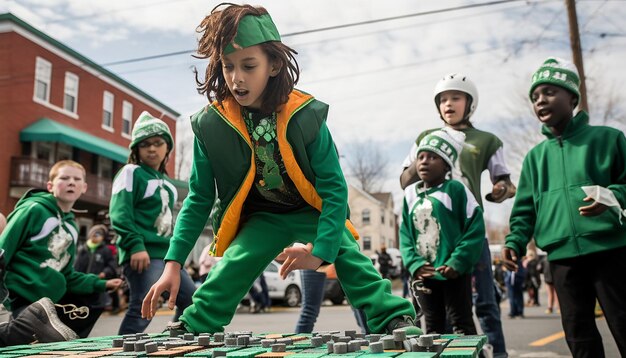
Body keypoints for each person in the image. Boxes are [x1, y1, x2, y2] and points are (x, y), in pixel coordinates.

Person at [141, 3, 418, 336]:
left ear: (273, 65)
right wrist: (173, 264)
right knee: (233, 264)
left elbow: (333, 189)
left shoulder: (305, 115)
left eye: (249, 65)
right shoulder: (211, 125)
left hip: (309, 210)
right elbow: (199, 198)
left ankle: (393, 317)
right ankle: (194, 324)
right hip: (263, 217)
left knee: (348, 255)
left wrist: (322, 253)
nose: (236, 78)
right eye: (228, 66)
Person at [502, 57, 626, 358]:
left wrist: (612, 198)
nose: (540, 100)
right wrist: (514, 241)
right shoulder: (535, 158)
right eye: (535, 97)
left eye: (549, 92)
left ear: (572, 97)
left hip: (610, 251)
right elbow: (524, 211)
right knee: (578, 334)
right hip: (561, 258)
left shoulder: (608, 139)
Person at [400, 73, 513, 357]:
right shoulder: (424, 139)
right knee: (440, 312)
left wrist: (501, 189)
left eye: (456, 98)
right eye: (443, 99)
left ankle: (497, 354)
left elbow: (506, 182)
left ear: (469, 104)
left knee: (485, 303)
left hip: (469, 234)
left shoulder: (487, 140)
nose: (448, 104)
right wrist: (429, 151)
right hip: (433, 238)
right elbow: (404, 180)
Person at [0, 160, 122, 345]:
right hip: (20, 295)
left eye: (76, 179)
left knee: (91, 301)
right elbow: (3, 249)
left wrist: (101, 284)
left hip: (49, 302)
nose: (71, 182)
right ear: (50, 185)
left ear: (84, 187)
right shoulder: (33, 210)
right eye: (64, 178)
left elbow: (67, 275)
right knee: (18, 346)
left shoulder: (72, 226)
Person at [109, 111, 196, 334]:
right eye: (145, 144)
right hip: (142, 254)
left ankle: (174, 339)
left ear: (167, 148)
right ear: (136, 149)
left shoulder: (168, 185)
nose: (152, 149)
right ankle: (124, 352)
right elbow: (119, 213)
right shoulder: (131, 172)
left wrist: (176, 257)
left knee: (191, 302)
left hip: (167, 258)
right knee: (142, 308)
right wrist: (135, 245)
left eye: (158, 143)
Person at [399, 128, 484, 335]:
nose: (424, 162)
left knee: (461, 323)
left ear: (446, 165)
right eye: (420, 157)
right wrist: (415, 263)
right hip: (425, 275)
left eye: (432, 157)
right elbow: (405, 235)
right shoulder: (410, 194)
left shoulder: (455, 189)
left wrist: (458, 261)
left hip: (454, 273)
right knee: (433, 326)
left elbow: (475, 226)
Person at [72, 224, 118, 336]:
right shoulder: (83, 249)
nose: (96, 236)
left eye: (99, 234)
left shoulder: (105, 250)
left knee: (94, 308)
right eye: (94, 233)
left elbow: (112, 265)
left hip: (98, 284)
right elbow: (76, 267)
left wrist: (105, 273)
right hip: (83, 284)